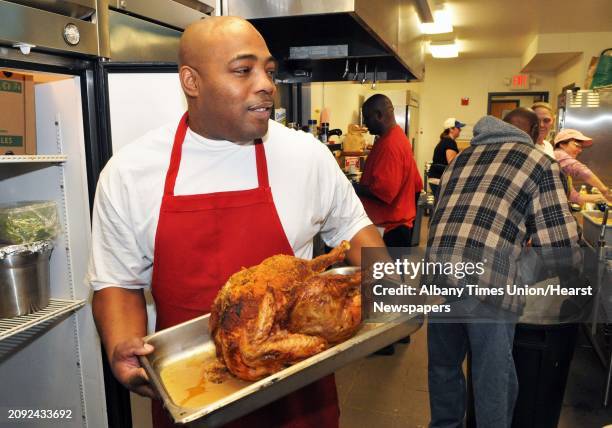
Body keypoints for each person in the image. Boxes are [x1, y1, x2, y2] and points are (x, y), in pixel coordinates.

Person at [88, 16, 385, 428]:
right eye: (244, 71)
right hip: (194, 392)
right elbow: (118, 283)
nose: (265, 84)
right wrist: (121, 344)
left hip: (300, 395)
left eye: (268, 70)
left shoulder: (306, 156)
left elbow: (357, 232)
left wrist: (382, 290)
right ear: (191, 82)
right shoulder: (129, 173)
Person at [426, 108, 579, 428]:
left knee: (444, 371)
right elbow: (560, 248)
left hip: (439, 279)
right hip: (488, 281)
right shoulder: (538, 162)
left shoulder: (461, 159)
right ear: (537, 133)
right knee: (493, 379)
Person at [353, 94, 423, 247]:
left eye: (366, 118)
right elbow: (417, 183)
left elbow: (383, 193)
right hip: (396, 226)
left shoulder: (391, 145)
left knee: (383, 271)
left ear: (379, 115)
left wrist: (353, 187)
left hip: (391, 231)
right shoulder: (393, 137)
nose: (365, 123)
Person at [553, 128, 611, 204]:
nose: (580, 150)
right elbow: (581, 170)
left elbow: (573, 196)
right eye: (577, 146)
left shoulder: (564, 169)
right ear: (562, 144)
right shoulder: (558, 154)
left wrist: (603, 198)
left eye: (581, 147)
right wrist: (605, 191)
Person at [428, 117, 465, 198]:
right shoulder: (450, 142)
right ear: (451, 129)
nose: (460, 130)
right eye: (458, 128)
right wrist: (461, 155)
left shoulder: (445, 141)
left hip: (435, 177)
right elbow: (451, 162)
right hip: (439, 179)